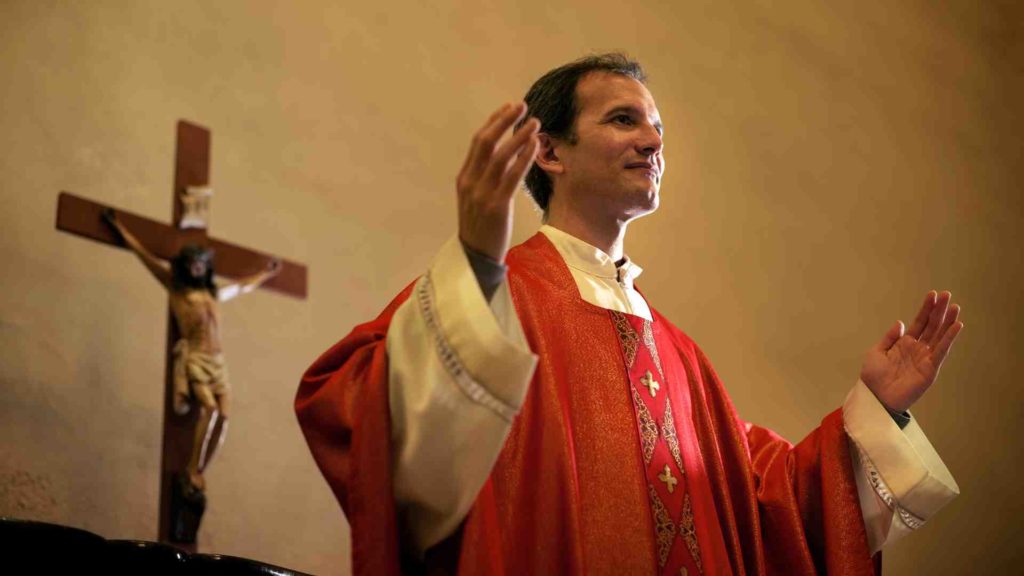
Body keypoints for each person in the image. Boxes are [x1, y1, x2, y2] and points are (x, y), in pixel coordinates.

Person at [296, 54, 962, 575]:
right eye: (623, 120)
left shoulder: (680, 356)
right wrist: (475, 259)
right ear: (549, 153)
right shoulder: (494, 299)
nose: (652, 142)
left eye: (658, 129)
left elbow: (769, 500)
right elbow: (357, 410)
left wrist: (877, 411)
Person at [103, 210, 281, 495]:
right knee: (209, 410)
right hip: (196, 358)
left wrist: (266, 274)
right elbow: (146, 258)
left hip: (218, 361)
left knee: (224, 416)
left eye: (201, 263)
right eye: (193, 263)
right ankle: (192, 468)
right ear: (186, 266)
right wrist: (121, 229)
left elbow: (242, 287)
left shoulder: (213, 295)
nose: (197, 267)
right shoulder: (177, 291)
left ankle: (200, 471)